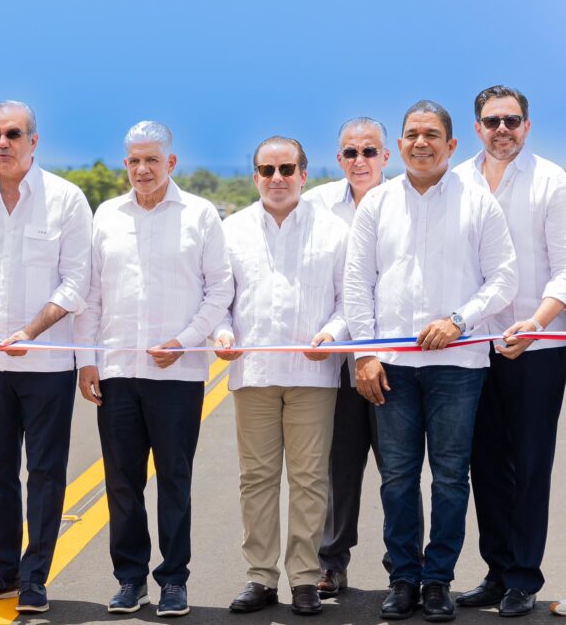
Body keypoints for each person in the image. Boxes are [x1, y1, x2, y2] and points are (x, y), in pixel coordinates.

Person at [345, 100, 517, 622]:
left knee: (448, 478)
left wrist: (459, 320)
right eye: (413, 134)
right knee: (396, 477)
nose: (422, 142)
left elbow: (503, 277)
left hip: (458, 369)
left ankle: (438, 580)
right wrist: (367, 355)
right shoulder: (376, 204)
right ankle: (403, 579)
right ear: (399, 146)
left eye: (432, 134)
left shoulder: (479, 201)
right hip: (391, 366)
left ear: (451, 144)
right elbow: (358, 284)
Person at [74, 121, 232, 617]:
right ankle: (130, 579)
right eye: (134, 161)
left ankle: (174, 580)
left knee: (174, 481)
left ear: (171, 163)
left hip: (177, 376)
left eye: (152, 160)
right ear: (126, 164)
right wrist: (87, 362)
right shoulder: (107, 216)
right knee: (121, 483)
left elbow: (220, 290)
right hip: (118, 370)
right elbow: (91, 297)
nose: (142, 170)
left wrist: (185, 342)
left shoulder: (200, 215)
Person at [0, 100, 92, 613]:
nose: (2, 142)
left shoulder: (66, 200)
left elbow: (77, 282)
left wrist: (32, 329)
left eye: (13, 134)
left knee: (46, 474)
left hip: (46, 363)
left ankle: (35, 577)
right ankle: (4, 570)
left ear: (34, 141)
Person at [216, 136, 348, 617]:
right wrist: (222, 332)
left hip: (313, 375)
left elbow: (346, 302)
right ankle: (260, 577)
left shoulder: (333, 232)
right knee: (256, 478)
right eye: (267, 170)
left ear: (303, 174)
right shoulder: (230, 230)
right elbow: (219, 300)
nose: (277, 179)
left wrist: (332, 335)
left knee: (311, 478)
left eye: (286, 169)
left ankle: (306, 578)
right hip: (252, 372)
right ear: (255, 176)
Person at [452, 85, 566, 618]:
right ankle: (497, 572)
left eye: (512, 121)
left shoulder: (552, 181)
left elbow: (565, 267)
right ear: (477, 128)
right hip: (473, 344)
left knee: (530, 463)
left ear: (527, 125)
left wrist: (536, 323)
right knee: (485, 463)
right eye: (492, 121)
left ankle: (524, 576)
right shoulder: (457, 181)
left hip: (537, 346)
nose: (502, 130)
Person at [303, 117, 422, 596]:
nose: (359, 161)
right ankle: (331, 561)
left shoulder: (405, 203)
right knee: (339, 468)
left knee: (400, 470)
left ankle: (404, 566)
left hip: (390, 363)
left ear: (385, 156)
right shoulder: (315, 205)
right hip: (334, 365)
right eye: (350, 153)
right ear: (338, 159)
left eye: (369, 152)